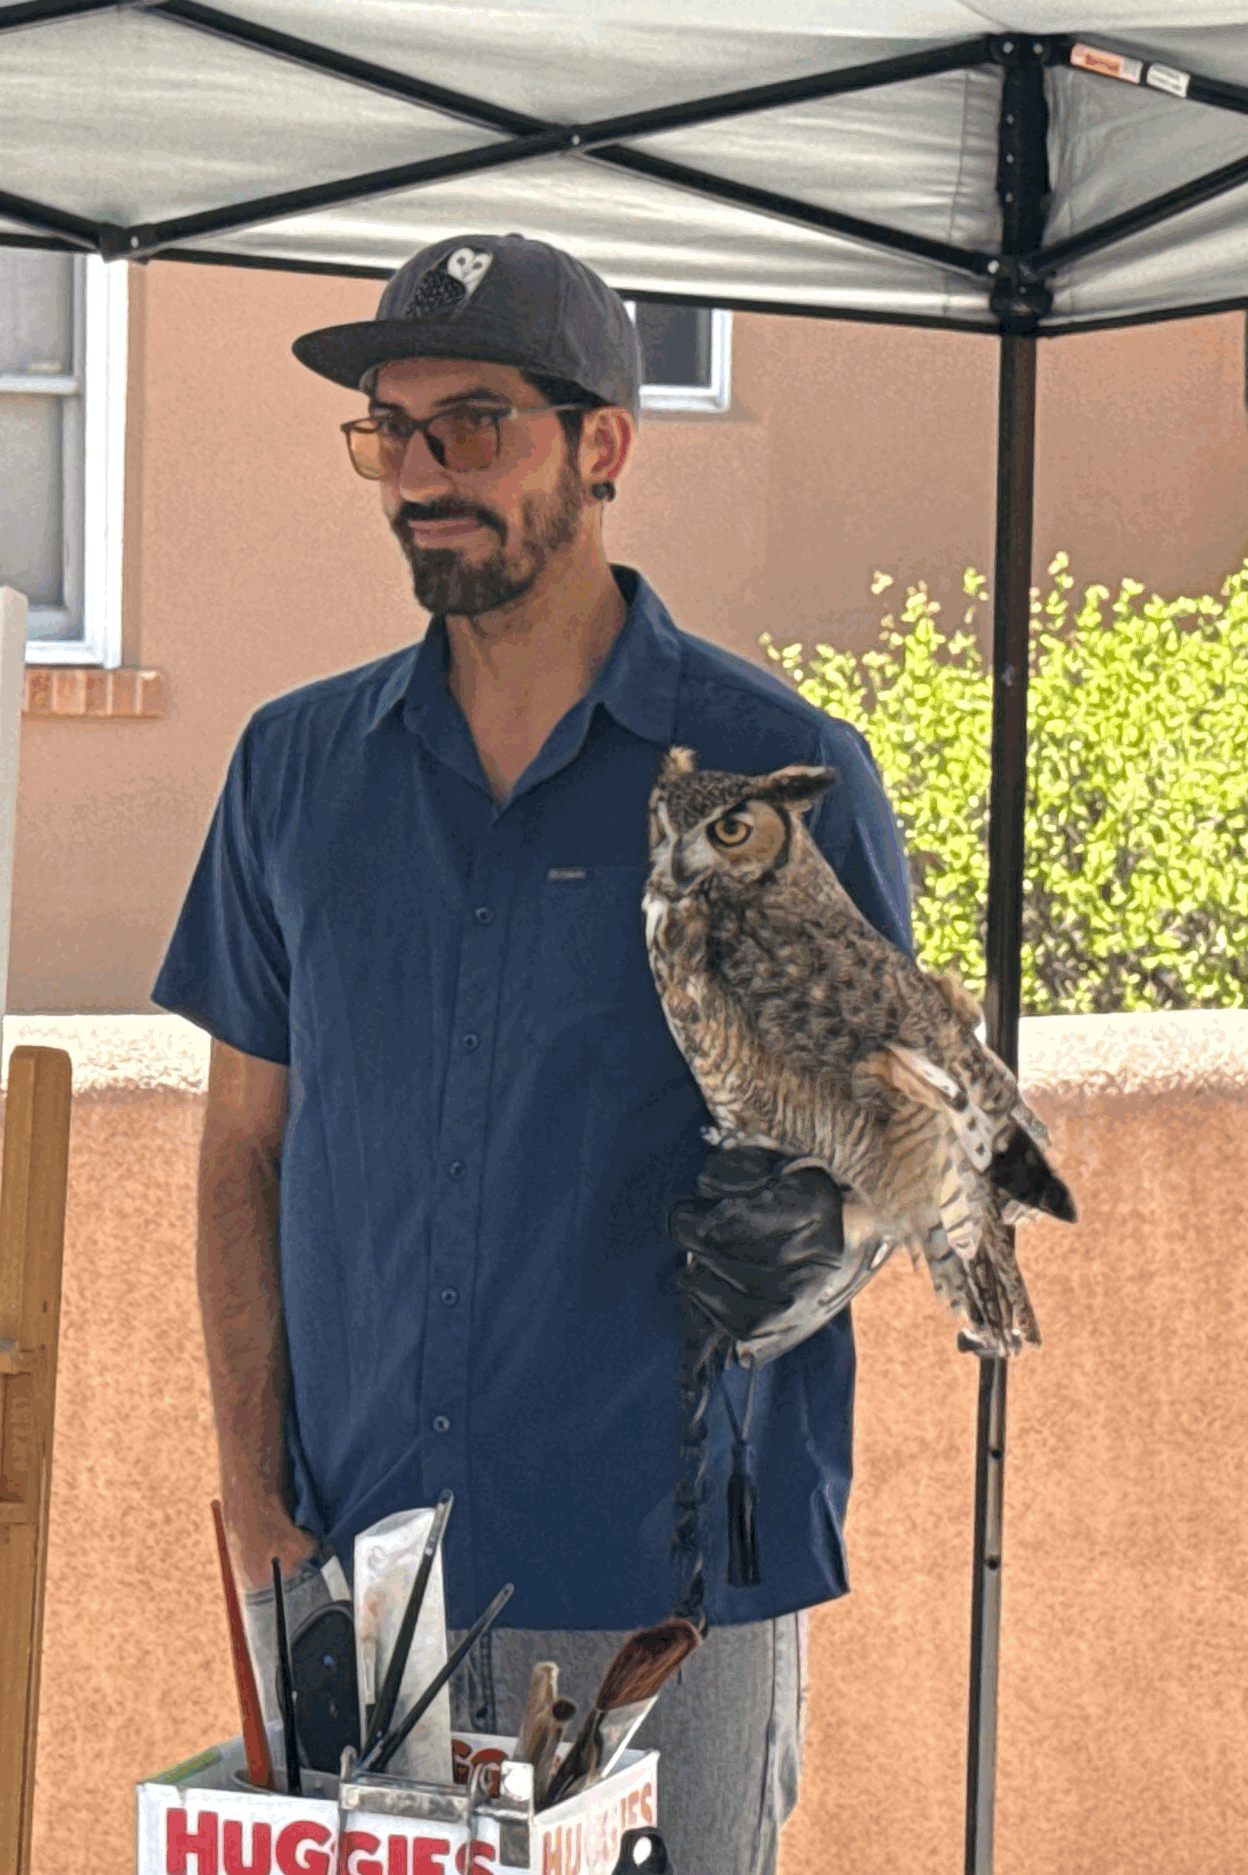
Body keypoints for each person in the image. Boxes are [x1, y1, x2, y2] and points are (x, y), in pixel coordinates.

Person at [153, 235, 915, 1874]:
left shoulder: (783, 777)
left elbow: (886, 1154)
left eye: (475, 426)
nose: (424, 475)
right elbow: (244, 1149)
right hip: (365, 1584)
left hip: (668, 1597)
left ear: (605, 444)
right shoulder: (295, 771)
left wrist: (825, 1230)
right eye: (390, 430)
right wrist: (256, 1502)